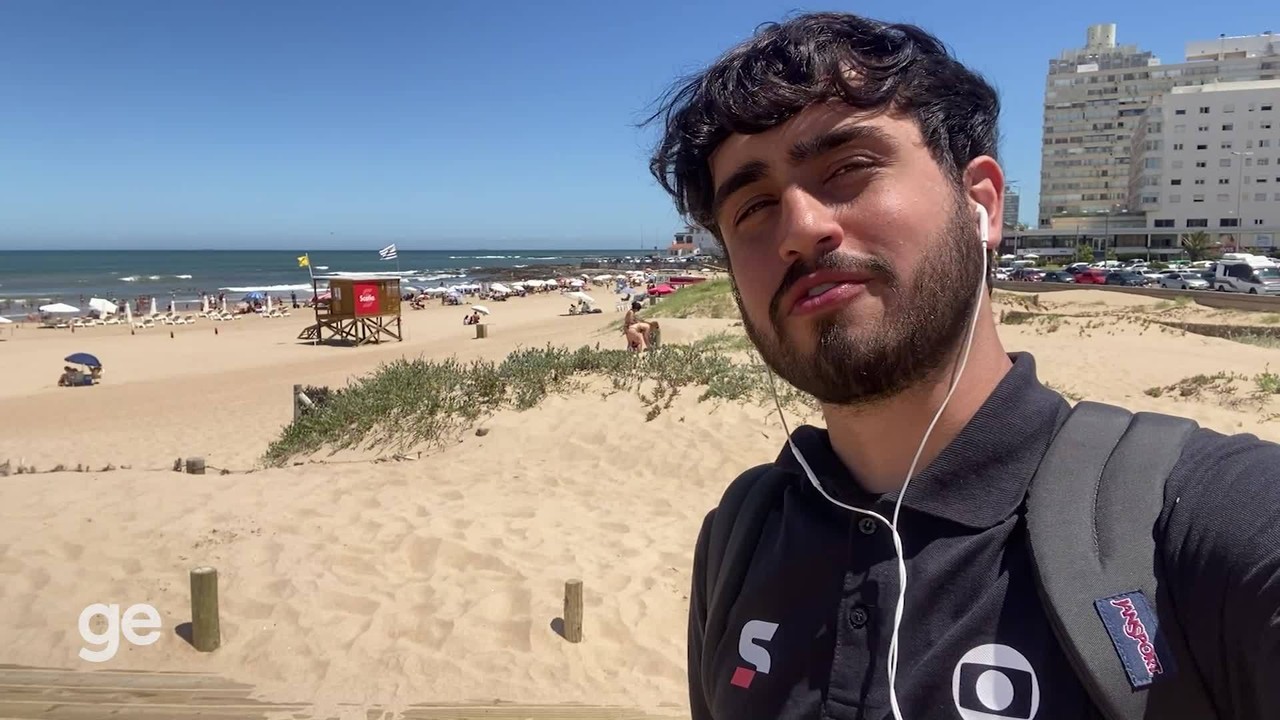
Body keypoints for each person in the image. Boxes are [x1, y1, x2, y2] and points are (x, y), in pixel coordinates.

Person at [647, 12, 1279, 720]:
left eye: (848, 167)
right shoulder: (740, 538)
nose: (799, 227)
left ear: (981, 204)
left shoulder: (1203, 520)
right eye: (754, 206)